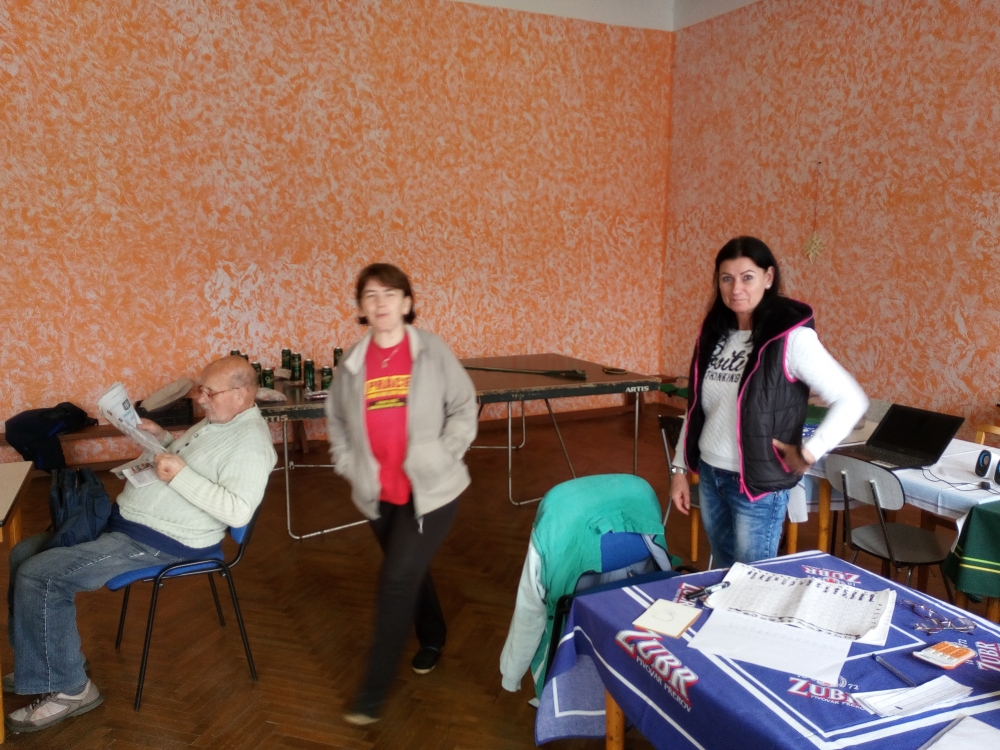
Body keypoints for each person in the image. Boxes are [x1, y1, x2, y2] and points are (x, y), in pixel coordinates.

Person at [5, 356, 276, 734]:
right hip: (130, 524)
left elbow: (236, 510)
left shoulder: (251, 445)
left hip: (165, 542)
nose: (201, 398)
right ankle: (47, 664)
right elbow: (194, 460)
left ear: (242, 393)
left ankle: (72, 690)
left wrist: (179, 476)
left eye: (209, 392)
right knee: (23, 554)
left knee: (42, 576)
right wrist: (162, 440)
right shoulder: (220, 418)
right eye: (201, 389)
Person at [325, 263, 477, 725]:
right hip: (378, 492)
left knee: (395, 579)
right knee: (408, 567)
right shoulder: (352, 363)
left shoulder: (431, 350)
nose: (381, 303)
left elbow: (464, 406)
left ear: (407, 303)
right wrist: (348, 463)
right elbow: (336, 420)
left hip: (431, 490)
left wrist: (445, 453)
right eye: (370, 296)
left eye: (390, 294)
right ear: (361, 307)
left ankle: (371, 693)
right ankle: (433, 636)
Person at [670, 236, 867, 568]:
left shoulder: (792, 339)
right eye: (727, 278)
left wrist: (810, 452)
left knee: (752, 581)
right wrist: (679, 469)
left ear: (768, 277)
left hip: (757, 486)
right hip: (711, 476)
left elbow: (851, 399)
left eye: (747, 277)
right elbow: (696, 409)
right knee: (723, 572)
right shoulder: (715, 336)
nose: (736, 289)